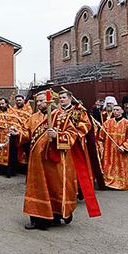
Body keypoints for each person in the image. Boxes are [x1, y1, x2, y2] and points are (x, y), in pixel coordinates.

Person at [21, 90, 92, 230]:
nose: (40, 103)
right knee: (37, 188)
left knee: (55, 188)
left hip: (54, 161)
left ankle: (56, 215)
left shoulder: (61, 116)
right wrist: (17, 133)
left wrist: (57, 136)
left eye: (42, 101)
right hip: (36, 161)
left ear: (50, 101)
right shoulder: (33, 118)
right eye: (38, 101)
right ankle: (37, 219)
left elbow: (72, 134)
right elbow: (26, 133)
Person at [98, 105, 128, 190]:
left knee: (121, 168)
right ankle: (108, 183)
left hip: (121, 151)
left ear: (122, 111)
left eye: (117, 110)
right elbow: (101, 137)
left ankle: (121, 183)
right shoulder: (107, 123)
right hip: (109, 151)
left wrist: (124, 146)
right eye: (114, 110)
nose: (115, 111)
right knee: (109, 166)